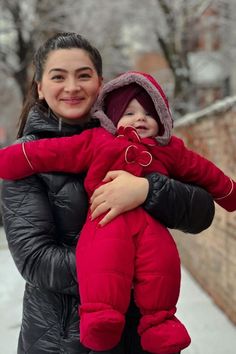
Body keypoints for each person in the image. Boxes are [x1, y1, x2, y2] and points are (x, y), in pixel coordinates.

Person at [0, 33, 216, 354]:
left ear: (100, 84)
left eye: (83, 75)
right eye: (58, 77)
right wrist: (122, 263)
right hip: (61, 341)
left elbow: (201, 211)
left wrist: (147, 190)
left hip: (138, 335)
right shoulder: (26, 159)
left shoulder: (138, 141)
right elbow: (36, 260)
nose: (72, 87)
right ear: (40, 88)